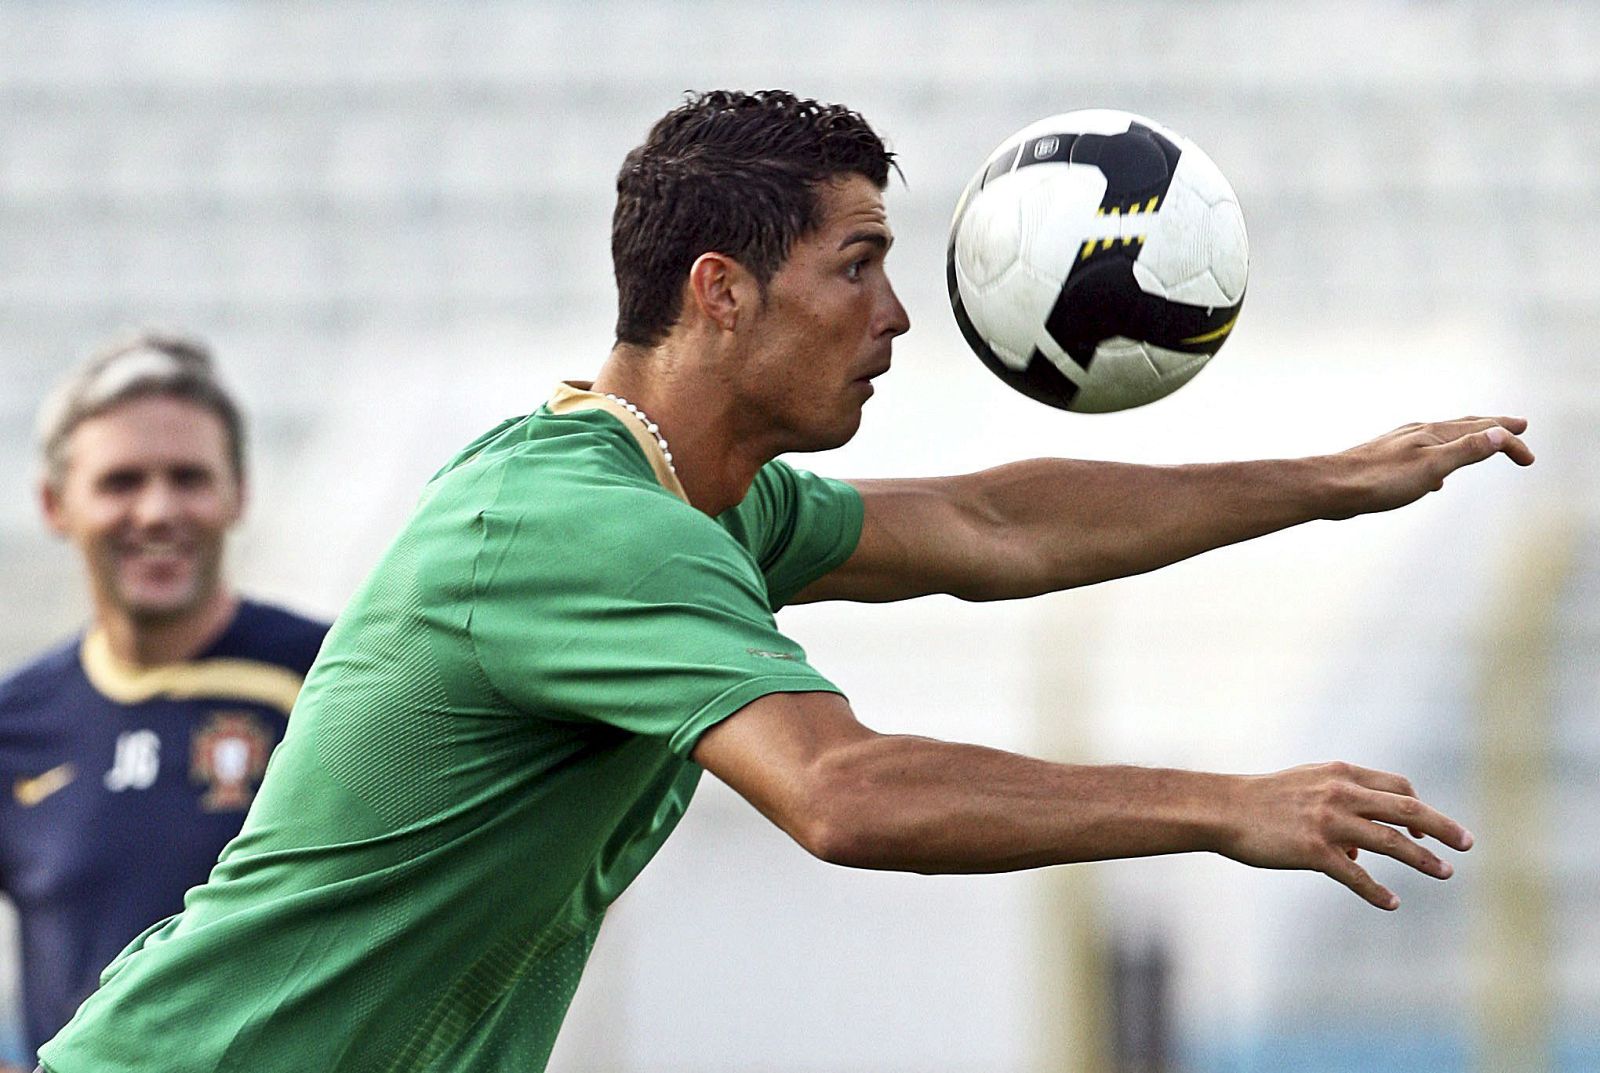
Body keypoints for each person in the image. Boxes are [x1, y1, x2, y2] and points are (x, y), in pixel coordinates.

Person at [37, 92, 1533, 1073]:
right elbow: (846, 793)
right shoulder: (579, 527)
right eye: (858, 264)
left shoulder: (687, 497)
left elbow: (992, 525)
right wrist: (1223, 806)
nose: (898, 316)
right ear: (720, 290)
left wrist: (1327, 482)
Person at [0, 334, 327, 1072]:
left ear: (238, 493)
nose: (156, 511)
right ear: (55, 504)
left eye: (188, 477)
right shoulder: (14, 725)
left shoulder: (333, 682)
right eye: (121, 482)